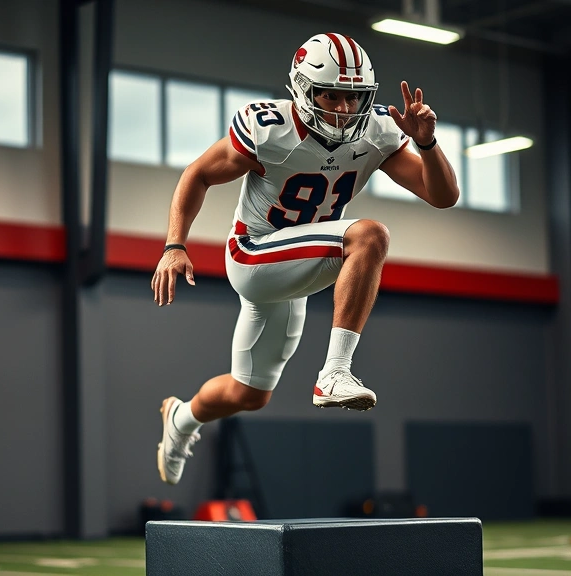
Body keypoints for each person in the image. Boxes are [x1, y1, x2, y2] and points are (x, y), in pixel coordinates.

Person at [152, 33, 459, 485]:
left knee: (249, 394)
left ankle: (181, 419)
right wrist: (175, 244)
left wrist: (428, 145)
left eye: (351, 97)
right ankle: (334, 372)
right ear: (302, 88)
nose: (340, 108)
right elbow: (197, 175)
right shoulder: (268, 127)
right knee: (369, 236)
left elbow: (443, 196)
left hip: (296, 264)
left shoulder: (377, 131)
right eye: (329, 94)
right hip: (254, 254)